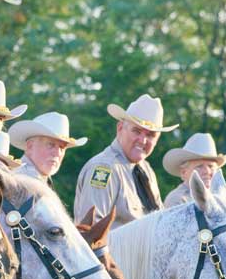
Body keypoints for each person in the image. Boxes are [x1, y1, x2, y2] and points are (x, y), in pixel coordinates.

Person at [74, 94, 177, 228]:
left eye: (151, 135)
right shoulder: (104, 169)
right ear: (120, 128)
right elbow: (91, 232)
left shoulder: (146, 170)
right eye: (136, 131)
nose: (143, 140)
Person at [9, 112, 88, 186]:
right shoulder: (24, 182)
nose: (57, 153)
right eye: (51, 145)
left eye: (62, 147)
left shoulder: (34, 177)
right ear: (30, 146)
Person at [160, 133, 226, 207]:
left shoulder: (220, 196)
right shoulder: (177, 200)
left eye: (211, 166)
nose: (207, 171)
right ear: (183, 172)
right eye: (199, 166)